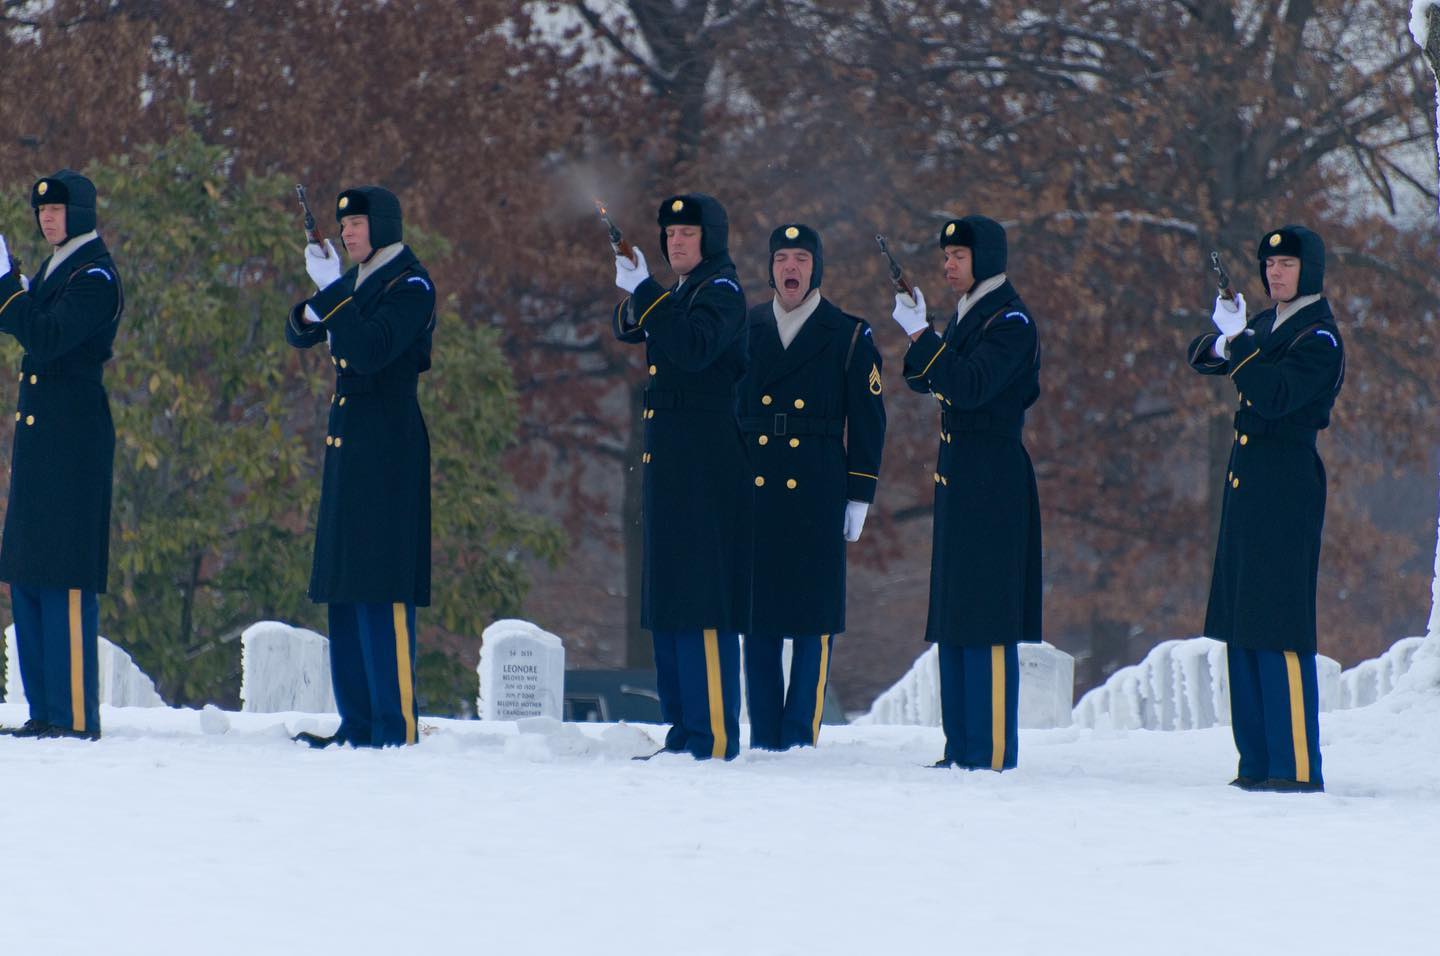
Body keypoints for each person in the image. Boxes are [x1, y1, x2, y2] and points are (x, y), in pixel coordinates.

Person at [1187, 225, 1343, 793]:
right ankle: (1255, 761)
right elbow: (1203, 357)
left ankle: (1294, 764)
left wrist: (1240, 345)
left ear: (1311, 269)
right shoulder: (1263, 325)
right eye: (1269, 263)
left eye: (1287, 263)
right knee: (1243, 623)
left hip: (1285, 482)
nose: (1275, 272)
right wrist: (1226, 335)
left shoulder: (1318, 337)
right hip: (1248, 482)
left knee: (1279, 625)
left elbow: (1274, 393)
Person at [285, 186, 435, 748]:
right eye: (342, 224)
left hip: (388, 442)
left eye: (357, 224)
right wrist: (313, 302)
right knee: (346, 585)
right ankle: (358, 721)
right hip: (350, 441)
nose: (346, 233)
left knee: (382, 585)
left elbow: (370, 348)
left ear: (385, 227)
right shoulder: (359, 281)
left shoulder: (410, 284)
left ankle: (392, 726)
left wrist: (330, 295)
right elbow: (301, 329)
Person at [891, 215, 1041, 770]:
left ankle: (990, 748)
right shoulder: (970, 313)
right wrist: (925, 331)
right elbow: (925, 377)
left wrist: (920, 337)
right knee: (957, 613)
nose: (949, 264)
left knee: (988, 615)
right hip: (960, 470)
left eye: (958, 255)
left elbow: (969, 385)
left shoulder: (1010, 320)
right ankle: (961, 744)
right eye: (946, 256)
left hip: (993, 472)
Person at [611, 193, 750, 760]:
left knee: (703, 603)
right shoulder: (682, 293)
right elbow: (634, 329)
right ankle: (684, 729)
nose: (675, 242)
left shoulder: (722, 292)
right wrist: (638, 293)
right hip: (672, 471)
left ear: (710, 238)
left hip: (707, 472)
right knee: (670, 603)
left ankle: (712, 734)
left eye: (687, 233)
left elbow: (691, 348)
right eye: (669, 234)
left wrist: (646, 293)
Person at [736, 223, 885, 750]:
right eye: (781, 258)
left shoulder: (847, 333)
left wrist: (859, 493)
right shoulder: (746, 327)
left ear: (816, 267)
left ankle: (800, 733)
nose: (790, 268)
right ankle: (765, 734)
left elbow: (868, 420)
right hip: (755, 482)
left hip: (818, 480)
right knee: (756, 617)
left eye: (800, 258)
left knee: (812, 615)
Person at [0, 170, 122, 741]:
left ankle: (72, 715)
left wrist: (9, 288)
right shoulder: (55, 268)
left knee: (65, 577)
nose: (47, 217)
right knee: (28, 573)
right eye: (40, 210)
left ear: (81, 212)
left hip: (72, 440)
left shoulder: (93, 273)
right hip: (43, 439)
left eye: (57, 209)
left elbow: (46, 336)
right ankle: (44, 710)